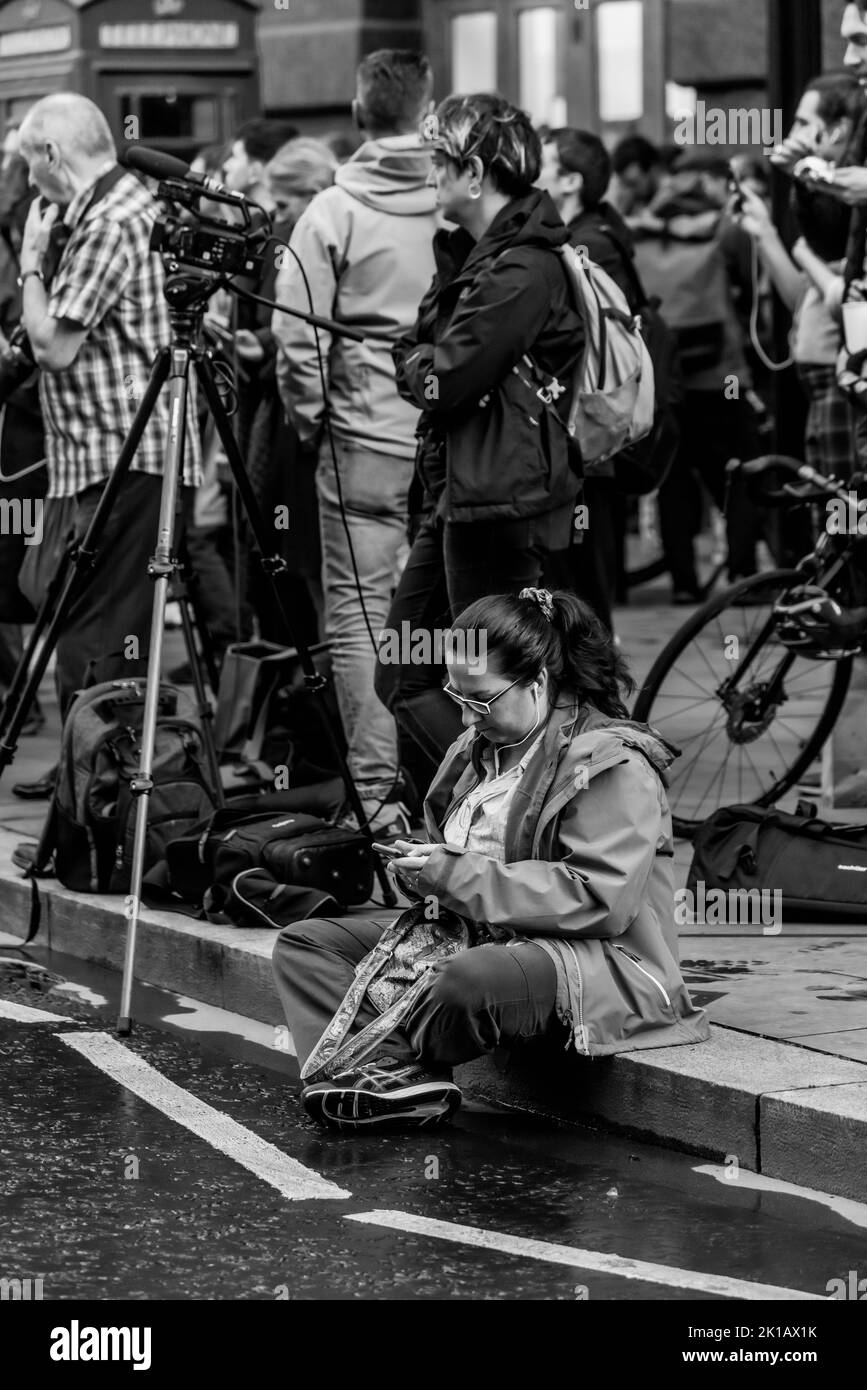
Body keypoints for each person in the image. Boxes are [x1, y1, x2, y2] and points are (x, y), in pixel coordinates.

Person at [273, 588, 710, 1132]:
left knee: (465, 981)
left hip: (602, 960)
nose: (464, 716)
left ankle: (389, 1070)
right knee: (306, 945)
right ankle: (397, 1076)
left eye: (479, 701)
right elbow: (455, 862)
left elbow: (600, 899)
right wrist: (420, 871)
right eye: (455, 695)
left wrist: (451, 875)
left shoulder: (612, 761)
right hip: (483, 934)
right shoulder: (475, 747)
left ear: (538, 682)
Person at [374, 93, 586, 770]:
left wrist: (415, 365)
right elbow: (426, 356)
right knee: (405, 674)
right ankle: (474, 813)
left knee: (489, 689)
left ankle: (513, 811)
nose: (431, 173)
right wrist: (420, 362)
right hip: (460, 497)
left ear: (476, 174)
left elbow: (449, 377)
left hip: (501, 504)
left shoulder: (523, 267)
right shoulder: (476, 256)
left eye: (441, 160)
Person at [11, 92, 202, 800]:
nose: (30, 183)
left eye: (31, 165)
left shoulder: (111, 218)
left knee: (101, 629)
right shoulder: (101, 210)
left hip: (124, 456)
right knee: (63, 604)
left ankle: (99, 790)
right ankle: (83, 771)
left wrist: (32, 262)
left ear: (54, 156)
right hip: (93, 456)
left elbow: (55, 345)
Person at [272, 50, 438, 835]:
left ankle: (376, 804)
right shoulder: (456, 198)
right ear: (425, 106)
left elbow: (294, 336)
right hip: (447, 442)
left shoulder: (330, 211)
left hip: (362, 439)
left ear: (356, 108)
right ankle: (455, 793)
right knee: (446, 615)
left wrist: (313, 419)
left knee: (361, 620)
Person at [536, 126, 644, 631]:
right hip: (593, 439)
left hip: (588, 438)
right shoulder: (600, 232)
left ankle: (600, 697)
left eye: (545, 163)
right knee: (582, 584)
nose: (533, 172)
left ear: (571, 181)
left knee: (580, 593)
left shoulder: (587, 245)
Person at [243, 138, 338, 648]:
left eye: (283, 205)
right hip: (304, 424)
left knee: (326, 580)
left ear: (315, 192)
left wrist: (306, 419)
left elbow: (302, 338)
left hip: (310, 428)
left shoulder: (316, 243)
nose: (276, 217)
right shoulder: (302, 239)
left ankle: (329, 705)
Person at [609, 134, 666, 219]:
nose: (630, 191)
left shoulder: (673, 198)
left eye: (633, 184)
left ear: (652, 170)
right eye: (624, 185)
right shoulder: (632, 200)